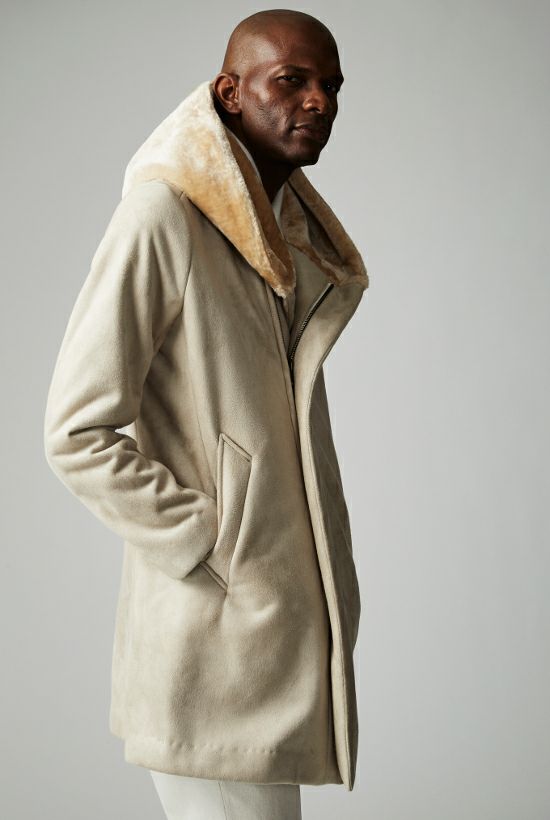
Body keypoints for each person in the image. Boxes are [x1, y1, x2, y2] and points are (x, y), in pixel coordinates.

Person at [43, 8, 369, 819]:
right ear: (229, 93)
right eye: (291, 80)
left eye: (331, 86)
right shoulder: (164, 218)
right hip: (209, 647)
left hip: (269, 645)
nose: (319, 101)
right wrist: (210, 543)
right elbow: (76, 432)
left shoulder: (283, 242)